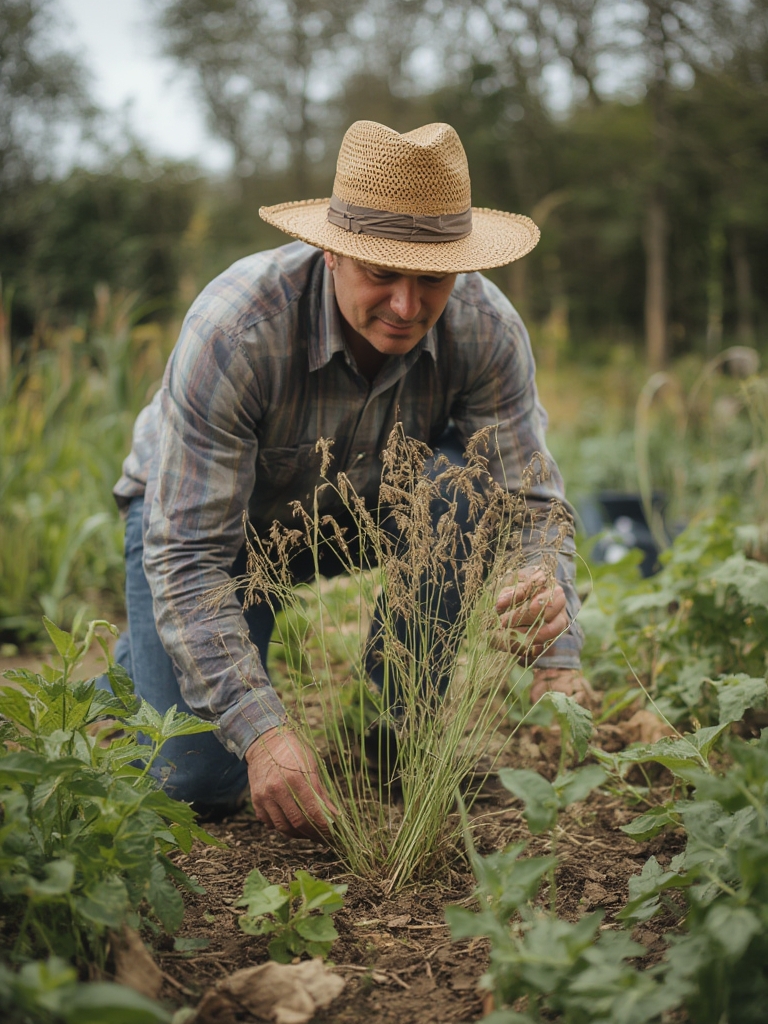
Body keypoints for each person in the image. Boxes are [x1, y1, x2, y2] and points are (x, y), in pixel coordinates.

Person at [113, 119, 589, 839]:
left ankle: (391, 724)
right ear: (332, 252)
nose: (406, 307)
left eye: (431, 278)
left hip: (359, 513)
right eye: (381, 274)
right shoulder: (237, 330)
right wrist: (265, 733)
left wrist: (550, 633)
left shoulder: (486, 330)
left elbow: (529, 503)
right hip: (214, 540)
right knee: (200, 783)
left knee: (465, 493)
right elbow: (188, 557)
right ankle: (132, 669)